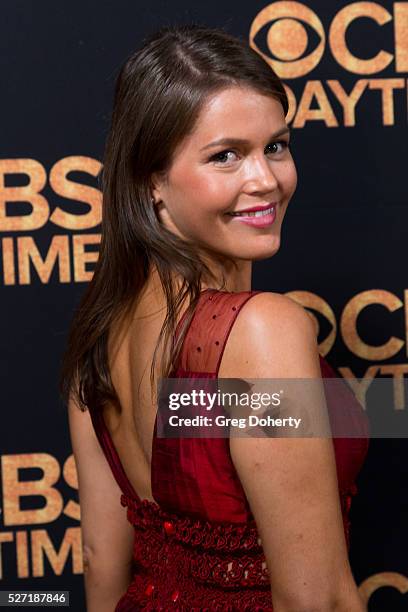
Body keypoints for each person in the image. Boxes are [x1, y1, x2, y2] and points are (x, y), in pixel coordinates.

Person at [59, 24, 369, 611]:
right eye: (225, 156)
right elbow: (318, 601)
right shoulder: (262, 330)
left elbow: (104, 561)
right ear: (153, 182)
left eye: (276, 146)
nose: (266, 180)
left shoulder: (98, 332)